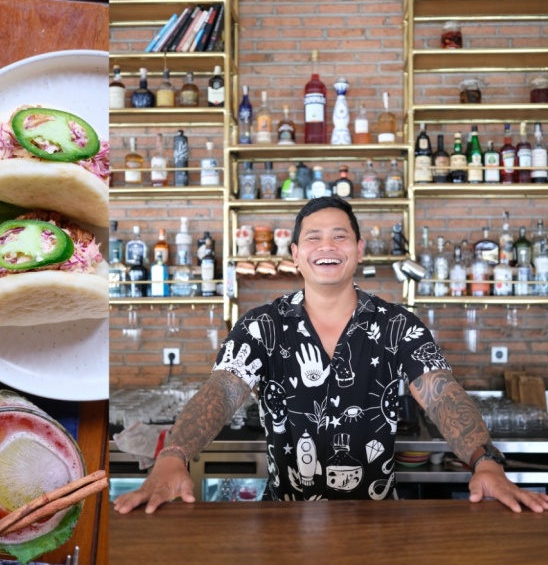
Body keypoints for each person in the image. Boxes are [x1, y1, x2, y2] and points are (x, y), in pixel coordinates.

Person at [114, 196, 548, 514]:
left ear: (359, 250)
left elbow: (441, 394)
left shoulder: (399, 325)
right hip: (282, 520)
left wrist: (485, 462)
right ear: (296, 255)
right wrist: (173, 456)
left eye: (340, 237)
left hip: (377, 518)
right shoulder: (261, 326)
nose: (327, 246)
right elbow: (222, 391)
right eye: (314, 238)